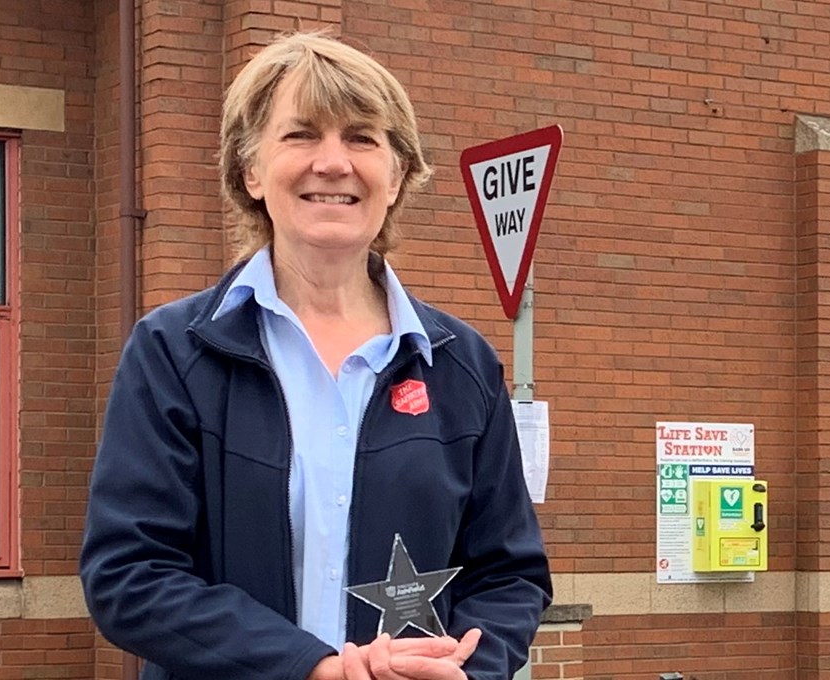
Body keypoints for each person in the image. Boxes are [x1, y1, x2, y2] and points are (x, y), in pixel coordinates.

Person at [80, 32, 551, 680]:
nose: (333, 162)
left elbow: (510, 576)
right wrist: (312, 668)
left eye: (362, 137)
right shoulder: (173, 353)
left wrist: (460, 670)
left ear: (398, 174)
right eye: (300, 135)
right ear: (250, 170)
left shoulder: (462, 365)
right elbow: (128, 577)